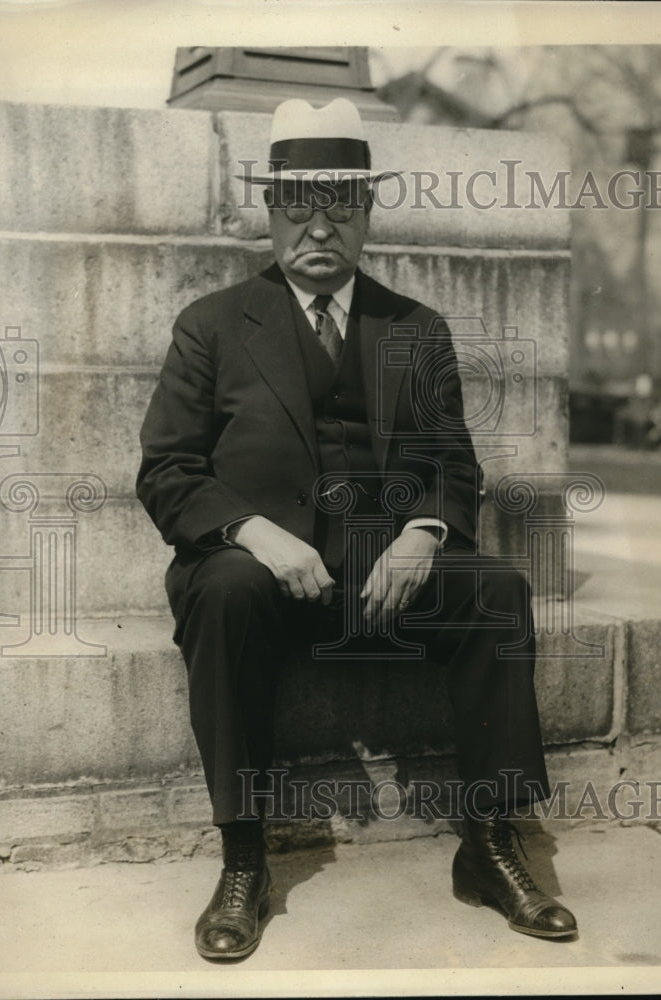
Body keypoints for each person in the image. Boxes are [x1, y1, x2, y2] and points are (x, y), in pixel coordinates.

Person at [137, 97, 577, 961]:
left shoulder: (414, 329)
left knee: (494, 590)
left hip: (383, 575)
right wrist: (252, 533)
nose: (318, 226)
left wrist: (422, 534)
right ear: (268, 214)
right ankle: (242, 860)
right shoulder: (213, 326)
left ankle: (490, 845)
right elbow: (167, 471)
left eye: (340, 204)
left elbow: (452, 464)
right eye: (297, 204)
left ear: (367, 213)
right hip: (259, 572)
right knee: (222, 591)